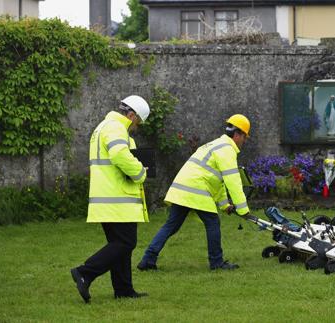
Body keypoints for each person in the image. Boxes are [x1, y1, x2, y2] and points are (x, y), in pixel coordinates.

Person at [137, 114, 251, 271]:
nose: (244, 142)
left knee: (171, 226)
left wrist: (225, 205)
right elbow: (233, 181)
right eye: (245, 138)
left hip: (182, 189)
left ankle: (148, 260)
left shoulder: (214, 145)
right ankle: (216, 262)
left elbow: (217, 181)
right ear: (238, 134)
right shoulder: (227, 150)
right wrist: (243, 209)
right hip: (196, 189)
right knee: (212, 223)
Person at [70, 95, 151, 303]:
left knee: (119, 244)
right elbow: (119, 155)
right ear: (131, 115)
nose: (137, 127)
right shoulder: (115, 127)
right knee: (125, 243)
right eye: (138, 122)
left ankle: (123, 290)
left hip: (109, 198)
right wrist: (141, 172)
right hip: (118, 198)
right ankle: (84, 272)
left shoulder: (104, 127)